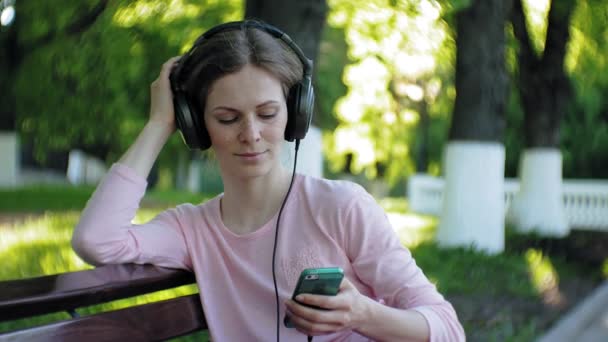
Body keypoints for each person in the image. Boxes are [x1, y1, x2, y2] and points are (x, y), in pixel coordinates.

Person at [72, 20, 465, 342]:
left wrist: (362, 313)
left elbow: (447, 328)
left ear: (295, 114)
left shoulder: (341, 207)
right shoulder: (192, 229)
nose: (251, 134)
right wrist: (160, 123)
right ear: (196, 125)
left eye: (268, 113)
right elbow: (96, 241)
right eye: (228, 118)